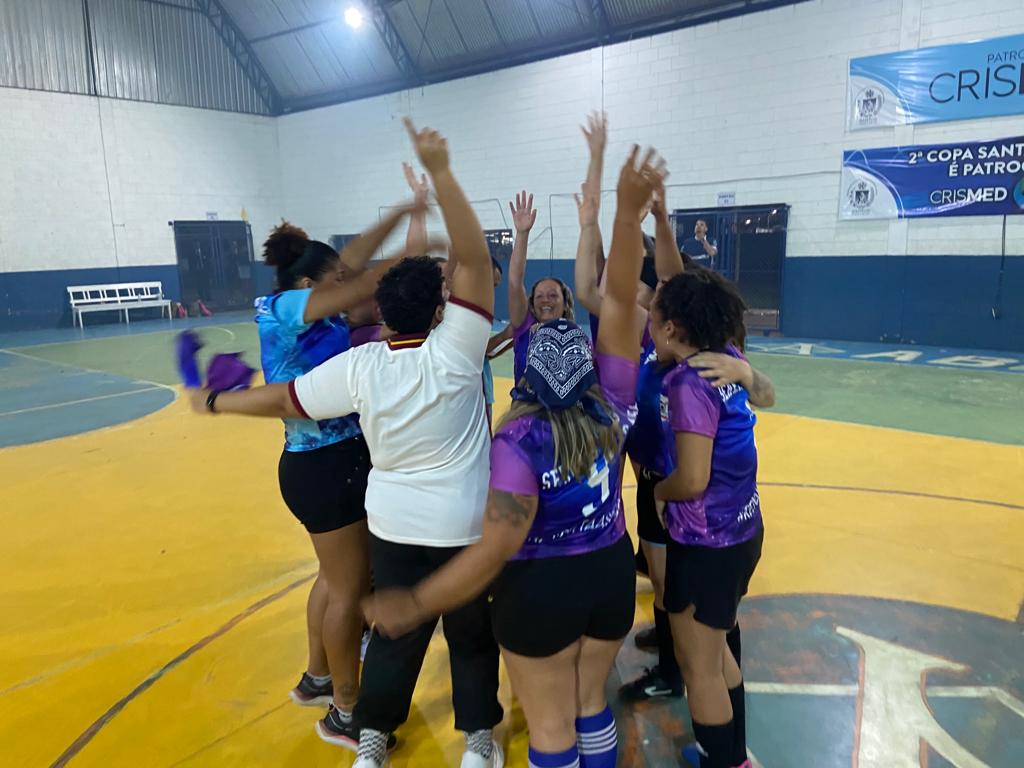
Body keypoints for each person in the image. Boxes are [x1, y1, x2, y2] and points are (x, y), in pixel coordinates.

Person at [187, 118, 503, 768]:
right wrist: (441, 176)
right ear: (441, 309)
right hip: (459, 522)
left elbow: (283, 399)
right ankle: (477, 741)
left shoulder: (358, 365)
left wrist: (217, 403)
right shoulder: (458, 351)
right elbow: (473, 259)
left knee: (389, 635)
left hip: (391, 523)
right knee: (471, 633)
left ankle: (371, 740)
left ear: (385, 312)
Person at [365, 144, 666, 768]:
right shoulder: (613, 406)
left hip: (540, 591)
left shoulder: (517, 442)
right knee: (591, 705)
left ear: (525, 379)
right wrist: (625, 216)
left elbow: (495, 547)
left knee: (550, 726)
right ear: (589, 368)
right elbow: (617, 301)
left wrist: (416, 602)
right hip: (609, 575)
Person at [250, 205, 418, 730]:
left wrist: (404, 212)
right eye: (336, 282)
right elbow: (360, 282)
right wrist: (413, 253)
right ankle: (346, 711)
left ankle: (318, 676)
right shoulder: (285, 309)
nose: (347, 288)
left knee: (332, 578)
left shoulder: (304, 312)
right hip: (325, 465)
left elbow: (352, 264)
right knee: (349, 590)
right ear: (307, 286)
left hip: (322, 462)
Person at [647, 269, 774, 768]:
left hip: (708, 543)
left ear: (671, 328)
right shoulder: (726, 357)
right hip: (742, 531)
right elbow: (768, 395)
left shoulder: (689, 384)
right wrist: (746, 372)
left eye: (652, 318)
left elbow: (693, 479)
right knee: (717, 653)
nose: (647, 325)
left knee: (698, 670)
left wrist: (660, 491)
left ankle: (725, 760)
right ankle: (733, 755)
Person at [507, 190, 575, 383]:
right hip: (525, 403)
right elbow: (514, 282)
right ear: (532, 303)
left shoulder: (575, 336)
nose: (545, 300)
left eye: (553, 295)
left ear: (565, 303)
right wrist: (522, 234)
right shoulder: (524, 327)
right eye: (539, 296)